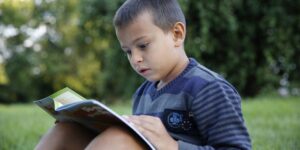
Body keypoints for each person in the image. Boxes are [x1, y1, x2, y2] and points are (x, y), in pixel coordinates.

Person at [36, 0, 252, 149]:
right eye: (128, 51)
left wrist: (172, 146)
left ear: (177, 34)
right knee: (67, 130)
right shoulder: (143, 93)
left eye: (143, 45)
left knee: (118, 139)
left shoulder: (208, 88)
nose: (135, 58)